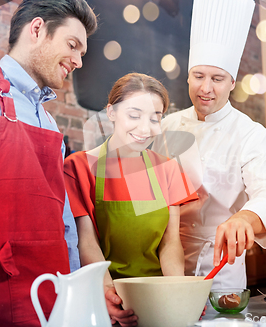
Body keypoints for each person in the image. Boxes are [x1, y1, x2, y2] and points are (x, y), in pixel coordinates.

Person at [0, 0, 97, 326]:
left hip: (52, 311)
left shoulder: (48, 122)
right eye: (72, 45)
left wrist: (78, 294)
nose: (78, 61)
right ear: (37, 30)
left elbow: (65, 229)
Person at [152, 0, 266, 289]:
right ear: (188, 76)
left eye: (217, 79)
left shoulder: (250, 133)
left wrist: (244, 218)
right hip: (161, 263)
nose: (206, 88)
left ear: (232, 83)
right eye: (198, 77)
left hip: (221, 268)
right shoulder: (164, 126)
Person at [64, 73, 197, 326]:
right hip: (104, 297)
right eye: (134, 116)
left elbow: (170, 243)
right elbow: (86, 242)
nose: (144, 129)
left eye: (154, 118)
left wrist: (176, 293)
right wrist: (111, 297)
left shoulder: (168, 169)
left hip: (157, 297)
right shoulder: (78, 167)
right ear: (111, 112)